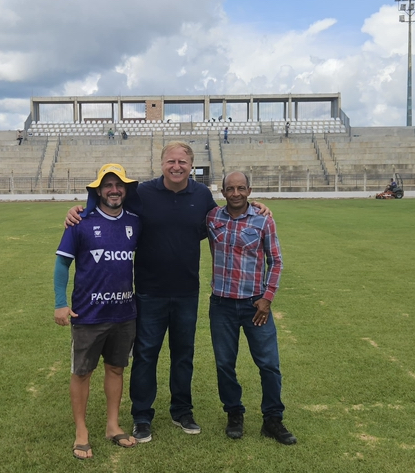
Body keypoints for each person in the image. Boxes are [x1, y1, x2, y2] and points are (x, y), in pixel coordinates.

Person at [66, 142, 271, 442]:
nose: (177, 166)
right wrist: (79, 210)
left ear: (191, 165)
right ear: (161, 163)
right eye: (171, 161)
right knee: (146, 355)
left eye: (182, 162)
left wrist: (258, 207)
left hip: (187, 291)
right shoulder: (144, 194)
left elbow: (226, 217)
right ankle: (142, 416)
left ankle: (181, 410)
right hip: (149, 291)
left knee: (183, 354)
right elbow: (111, 202)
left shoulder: (201, 196)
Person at [54, 163, 141, 459]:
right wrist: (60, 302)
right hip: (87, 315)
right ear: (98, 190)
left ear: (125, 190)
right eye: (108, 185)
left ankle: (113, 426)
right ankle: (81, 431)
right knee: (82, 372)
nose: (114, 190)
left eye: (119, 185)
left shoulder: (135, 221)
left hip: (124, 313)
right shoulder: (80, 222)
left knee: (116, 369)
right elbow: (61, 264)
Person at [206, 171, 296, 445]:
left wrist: (267, 299)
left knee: (268, 364)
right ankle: (234, 413)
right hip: (221, 304)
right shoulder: (212, 218)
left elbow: (276, 261)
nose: (236, 194)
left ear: (249, 190)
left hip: (256, 305)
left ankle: (273, 419)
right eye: (230, 189)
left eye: (241, 188)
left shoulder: (263, 219)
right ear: (223, 192)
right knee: (224, 365)